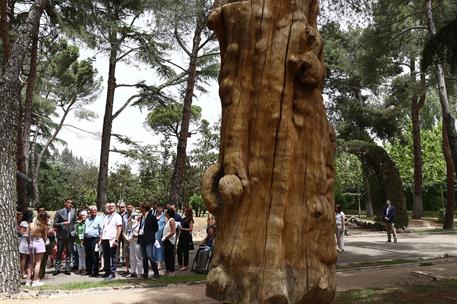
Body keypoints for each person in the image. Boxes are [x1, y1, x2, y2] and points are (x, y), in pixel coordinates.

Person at [53, 198, 76, 276]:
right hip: (61, 235)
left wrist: (74, 231)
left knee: (69, 252)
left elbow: (74, 222)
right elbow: (55, 224)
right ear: (65, 203)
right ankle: (57, 268)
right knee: (59, 252)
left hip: (70, 235)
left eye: (71, 203)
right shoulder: (59, 212)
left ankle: (67, 268)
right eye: (68, 202)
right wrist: (63, 223)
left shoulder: (73, 211)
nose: (70, 204)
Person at [100, 202, 123, 280]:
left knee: (113, 256)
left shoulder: (118, 216)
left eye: (112, 206)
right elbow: (104, 228)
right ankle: (107, 272)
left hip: (112, 239)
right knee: (106, 256)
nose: (110, 208)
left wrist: (116, 239)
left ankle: (112, 273)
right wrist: (101, 238)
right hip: (105, 238)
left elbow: (119, 228)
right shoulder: (106, 217)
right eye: (109, 206)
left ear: (116, 207)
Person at [26, 211, 49, 286]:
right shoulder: (44, 225)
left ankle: (28, 280)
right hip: (39, 243)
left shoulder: (31, 224)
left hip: (32, 243)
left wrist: (29, 242)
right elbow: (45, 237)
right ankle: (35, 279)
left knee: (31, 262)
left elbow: (27, 235)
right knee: (38, 262)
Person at [138, 203, 160, 279]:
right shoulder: (142, 217)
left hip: (149, 239)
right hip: (142, 238)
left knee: (150, 256)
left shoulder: (151, 217)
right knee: (144, 257)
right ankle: (145, 273)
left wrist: (150, 233)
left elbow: (156, 228)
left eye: (140, 207)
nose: (139, 209)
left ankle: (156, 272)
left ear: (144, 208)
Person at [84, 205, 103, 277]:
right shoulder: (87, 219)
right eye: (92, 210)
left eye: (95, 210)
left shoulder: (99, 219)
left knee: (94, 255)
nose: (93, 211)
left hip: (95, 239)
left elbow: (101, 230)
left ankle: (95, 272)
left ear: (96, 211)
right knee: (88, 255)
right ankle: (88, 270)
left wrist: (100, 240)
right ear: (90, 211)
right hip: (87, 239)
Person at [126, 212, 143, 278]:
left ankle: (139, 273)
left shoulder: (142, 223)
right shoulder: (134, 222)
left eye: (140, 214)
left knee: (138, 257)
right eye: (137, 214)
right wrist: (132, 215)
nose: (138, 216)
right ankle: (132, 272)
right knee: (132, 257)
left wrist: (137, 235)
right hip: (132, 240)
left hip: (138, 241)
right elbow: (128, 223)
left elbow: (143, 232)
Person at [162, 208, 177, 276]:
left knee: (170, 256)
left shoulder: (172, 220)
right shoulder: (168, 220)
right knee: (167, 256)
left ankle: (172, 271)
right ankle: (167, 270)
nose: (165, 213)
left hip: (169, 241)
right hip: (166, 241)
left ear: (168, 213)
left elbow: (173, 231)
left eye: (166, 212)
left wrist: (166, 237)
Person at [121, 203, 134, 274]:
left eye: (130, 207)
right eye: (128, 207)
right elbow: (123, 227)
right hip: (126, 236)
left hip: (133, 236)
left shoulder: (135, 216)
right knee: (126, 253)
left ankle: (133, 268)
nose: (129, 209)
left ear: (132, 208)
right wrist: (124, 236)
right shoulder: (124, 217)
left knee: (133, 253)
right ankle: (127, 269)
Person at [74, 210, 87, 274]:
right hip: (78, 241)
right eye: (81, 215)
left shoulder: (87, 223)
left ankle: (84, 268)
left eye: (84, 215)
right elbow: (76, 231)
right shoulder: (79, 223)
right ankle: (80, 268)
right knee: (80, 255)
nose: (82, 216)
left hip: (84, 241)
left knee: (84, 255)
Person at [153, 204, 166, 270]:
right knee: (154, 248)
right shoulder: (154, 215)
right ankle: (155, 263)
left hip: (161, 235)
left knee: (160, 248)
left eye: (161, 207)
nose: (159, 208)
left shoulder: (164, 215)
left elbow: (166, 224)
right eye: (158, 207)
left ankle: (160, 264)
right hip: (154, 233)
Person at [117, 202, 127, 266]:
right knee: (117, 246)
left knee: (124, 246)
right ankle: (117, 259)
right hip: (118, 233)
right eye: (120, 207)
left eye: (122, 207)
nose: (121, 208)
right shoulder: (117, 214)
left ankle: (124, 259)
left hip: (125, 233)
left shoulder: (127, 214)